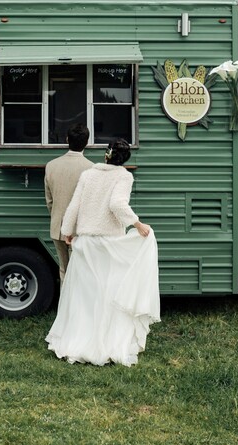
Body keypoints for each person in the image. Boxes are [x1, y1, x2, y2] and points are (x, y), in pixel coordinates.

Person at [45, 138, 160, 367]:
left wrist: (67, 231)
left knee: (85, 296)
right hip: (107, 243)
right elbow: (117, 204)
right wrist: (137, 224)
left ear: (106, 155)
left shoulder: (88, 174)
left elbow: (74, 205)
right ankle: (105, 343)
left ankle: (78, 341)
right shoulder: (123, 176)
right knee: (108, 293)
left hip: (86, 242)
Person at [44, 123, 93, 285]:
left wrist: (57, 217)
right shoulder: (91, 168)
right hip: (80, 229)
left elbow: (49, 201)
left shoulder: (51, 165)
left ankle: (64, 300)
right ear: (87, 142)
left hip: (57, 226)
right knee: (79, 271)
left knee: (64, 269)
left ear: (67, 140)